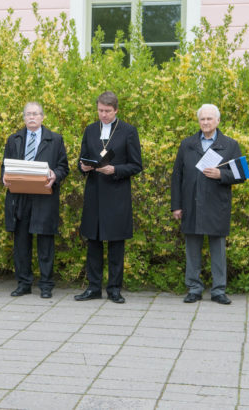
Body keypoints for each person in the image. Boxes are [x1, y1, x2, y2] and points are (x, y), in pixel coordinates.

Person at [171, 104, 245, 305]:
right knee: (192, 248)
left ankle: (218, 290)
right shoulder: (187, 144)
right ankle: (194, 288)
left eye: (209, 119)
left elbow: (242, 175)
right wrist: (176, 205)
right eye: (202, 119)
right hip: (191, 204)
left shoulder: (230, 145)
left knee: (218, 249)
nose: (205, 122)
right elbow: (177, 176)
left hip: (216, 205)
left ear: (218, 121)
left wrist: (221, 174)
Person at [74, 91, 142, 304]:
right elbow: (81, 160)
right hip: (94, 193)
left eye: (107, 111)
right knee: (93, 242)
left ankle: (114, 289)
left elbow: (136, 165)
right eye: (100, 110)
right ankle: (94, 287)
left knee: (115, 244)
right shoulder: (90, 130)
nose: (103, 115)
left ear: (116, 110)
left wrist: (115, 170)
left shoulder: (128, 131)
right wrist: (82, 166)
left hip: (116, 194)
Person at [2, 102, 69, 299]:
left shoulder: (55, 140)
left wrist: (55, 175)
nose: (32, 117)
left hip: (44, 198)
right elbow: (4, 166)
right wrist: (4, 176)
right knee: (21, 243)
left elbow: (63, 168)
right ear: (23, 118)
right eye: (28, 114)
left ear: (42, 117)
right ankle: (23, 283)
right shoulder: (13, 140)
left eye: (36, 114)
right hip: (19, 198)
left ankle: (46, 285)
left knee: (45, 243)